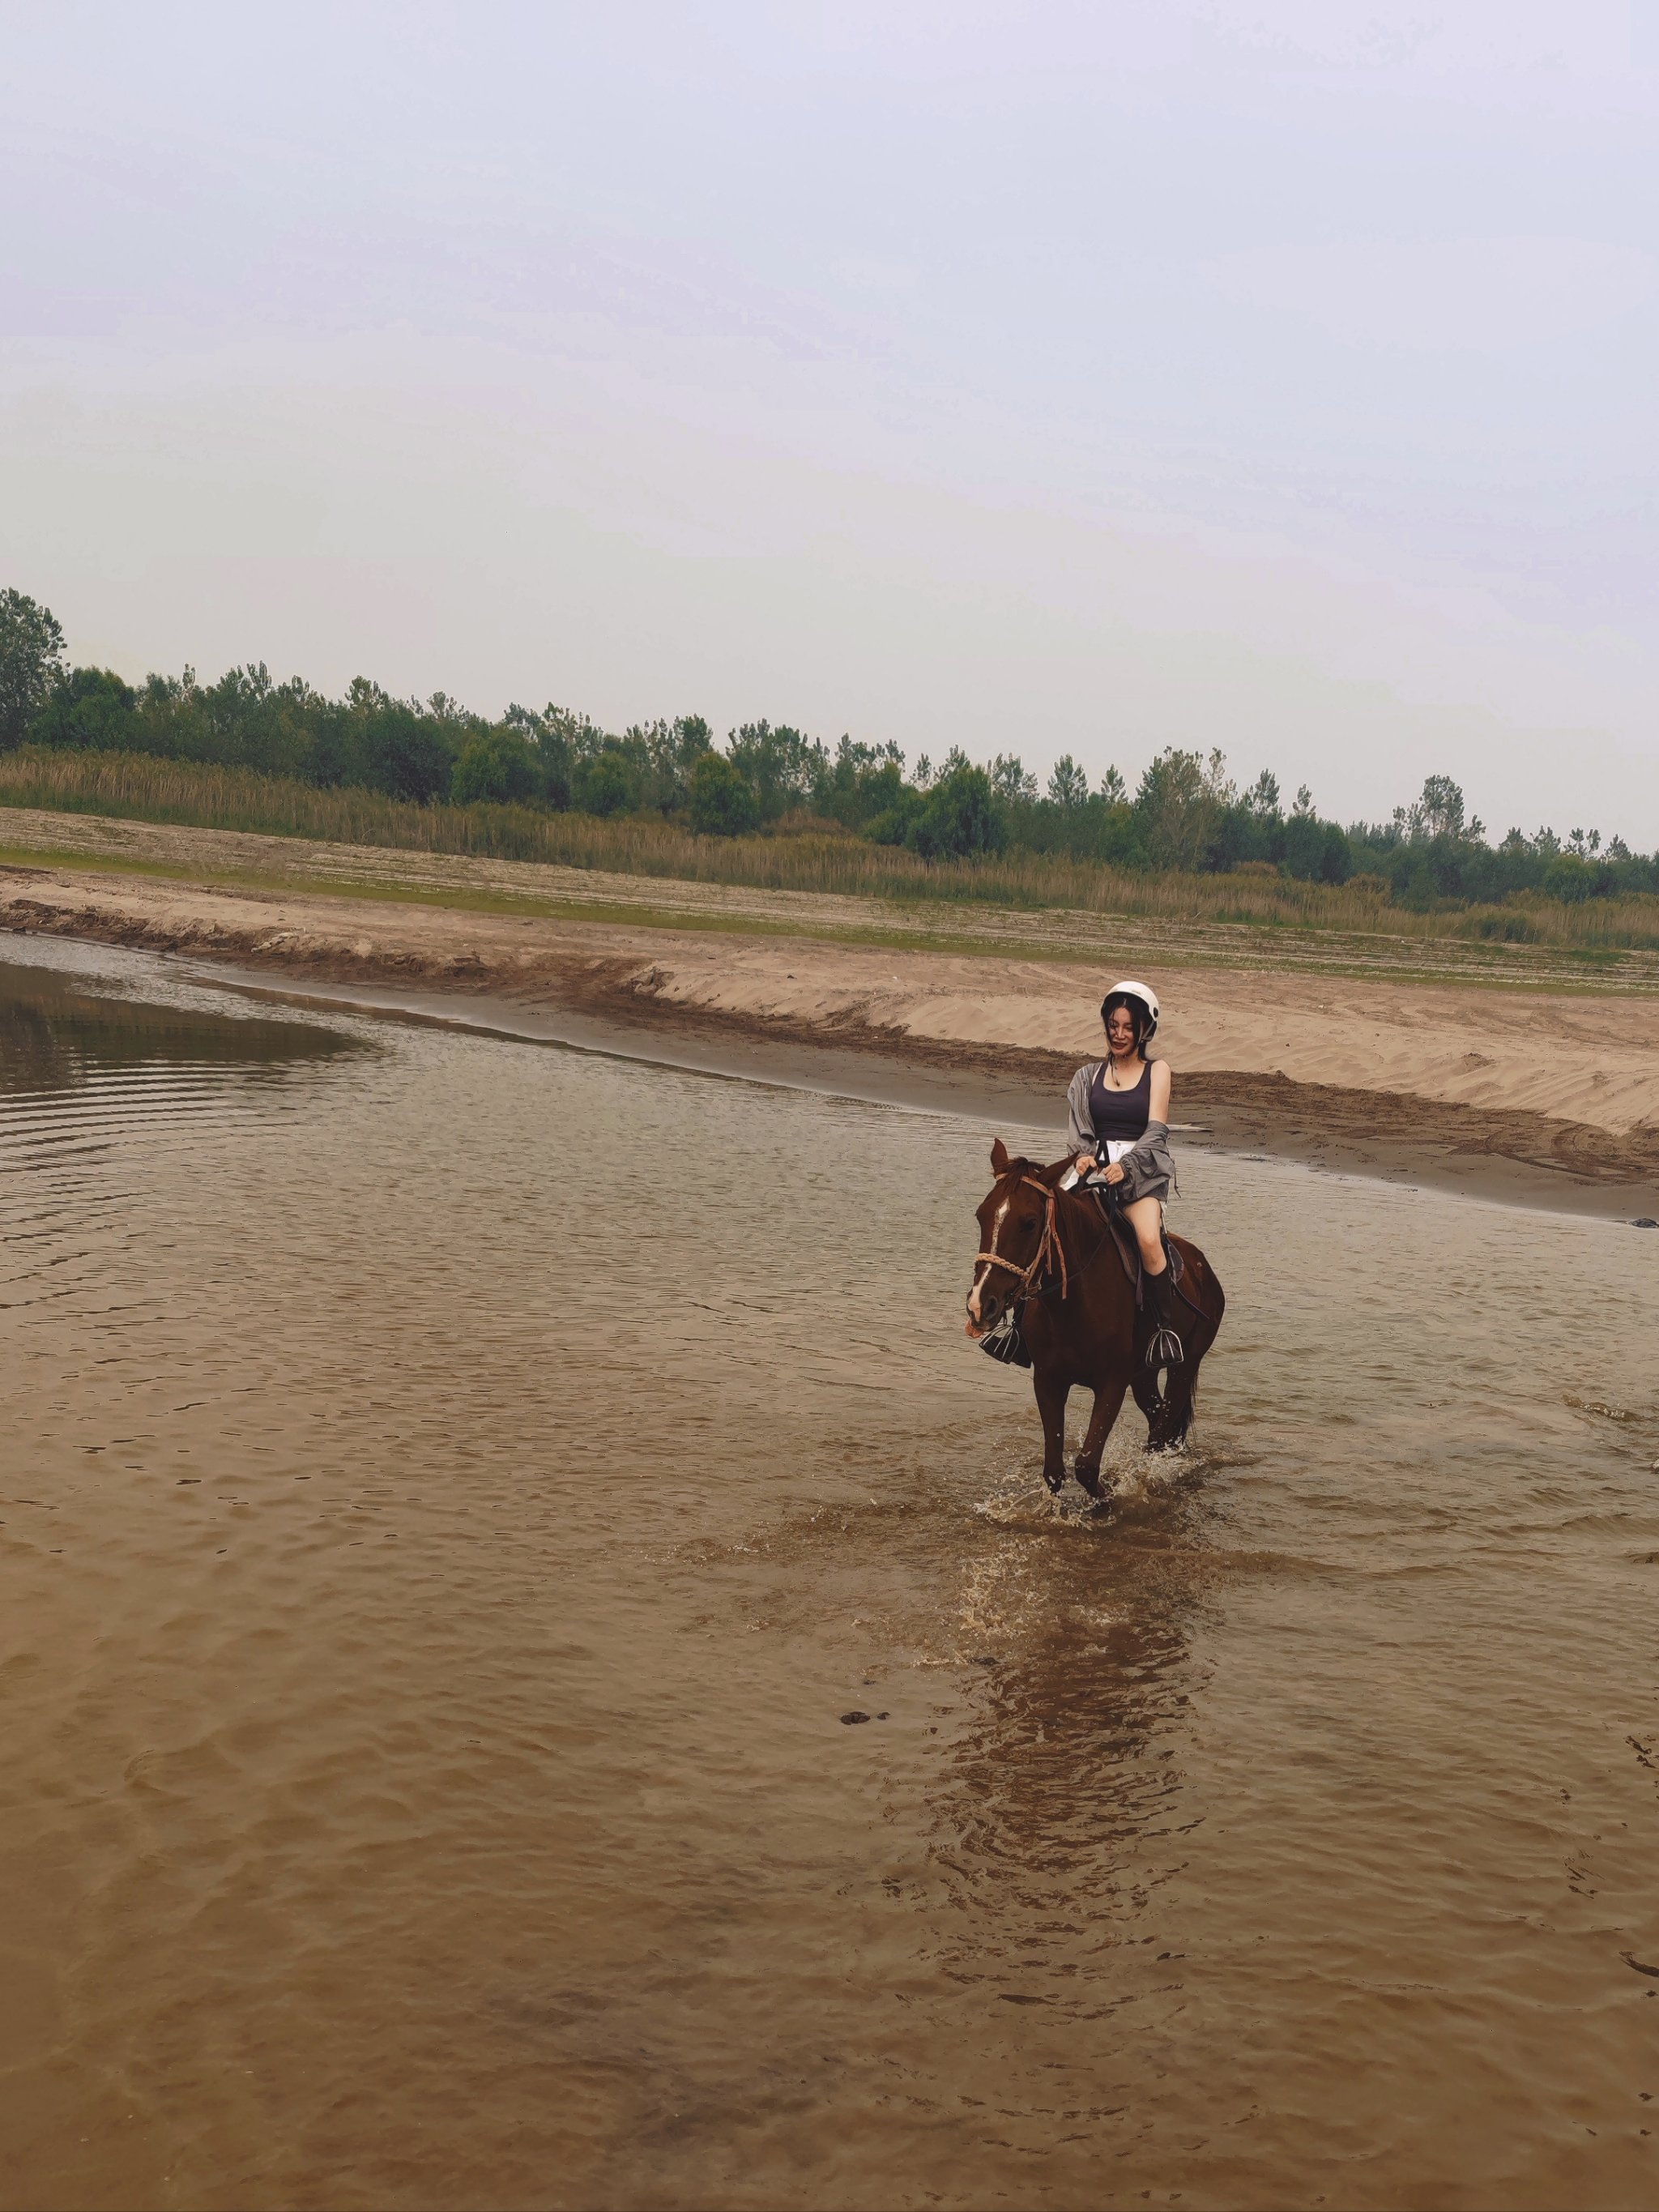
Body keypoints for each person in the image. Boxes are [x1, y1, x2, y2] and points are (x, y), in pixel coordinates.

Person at [1066, 980, 1185, 1362]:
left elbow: (1156, 1132)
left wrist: (1127, 1167)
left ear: (1144, 1030)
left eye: (1128, 1027)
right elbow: (1080, 1128)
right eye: (1113, 1025)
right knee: (1046, 1219)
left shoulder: (1158, 1071)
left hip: (1142, 1177)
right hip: (1095, 1174)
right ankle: (1020, 1327)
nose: (1118, 1035)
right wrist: (1083, 1158)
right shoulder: (1086, 1076)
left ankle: (1163, 1331)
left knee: (1149, 1240)